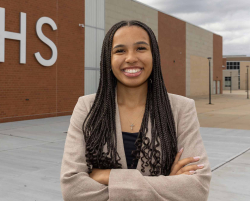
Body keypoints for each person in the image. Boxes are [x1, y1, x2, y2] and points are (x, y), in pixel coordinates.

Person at [60, 20, 212, 201]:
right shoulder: (87, 107)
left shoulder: (181, 108)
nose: (131, 58)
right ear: (108, 59)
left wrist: (106, 176)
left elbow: (197, 190)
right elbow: (72, 189)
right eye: (120, 50)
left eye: (140, 48)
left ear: (154, 54)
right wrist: (168, 183)